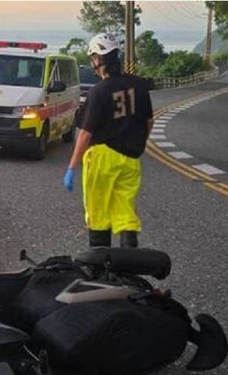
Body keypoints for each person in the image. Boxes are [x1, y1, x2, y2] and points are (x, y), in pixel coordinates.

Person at [63, 33, 154, 249]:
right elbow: (149, 122)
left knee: (98, 211)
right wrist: (136, 142)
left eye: (93, 57)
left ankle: (99, 266)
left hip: (103, 156)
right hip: (131, 158)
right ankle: (129, 262)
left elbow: (85, 134)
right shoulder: (139, 85)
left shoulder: (99, 91)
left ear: (98, 59)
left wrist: (71, 167)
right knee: (125, 211)